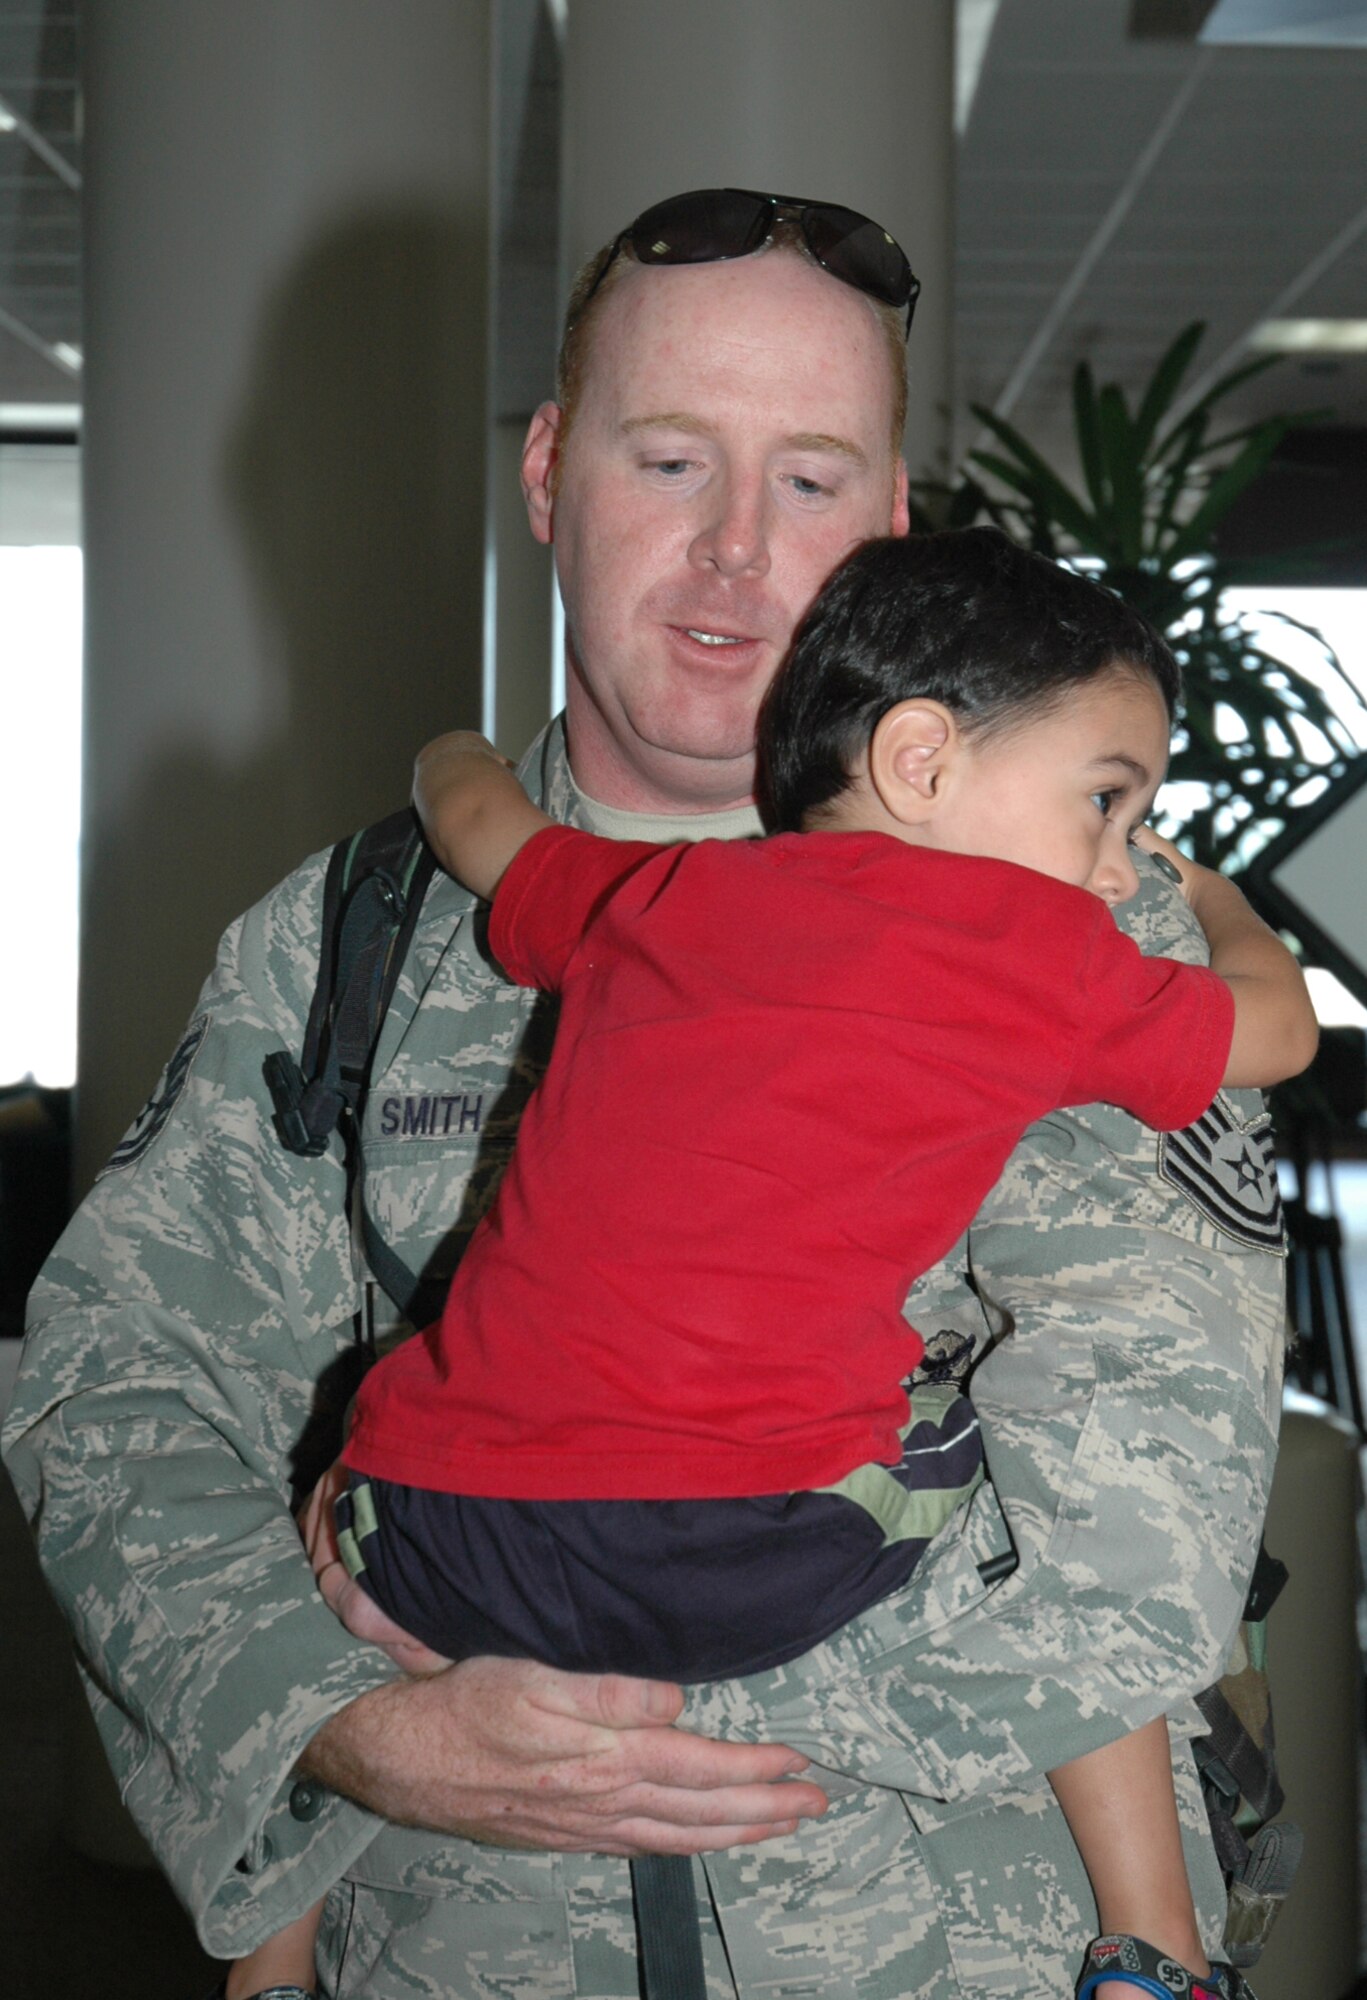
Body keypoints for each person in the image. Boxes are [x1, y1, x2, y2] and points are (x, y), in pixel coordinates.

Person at [2, 190, 1290, 2000]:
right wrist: (344, 1722)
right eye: (671, 461)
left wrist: (605, 1669)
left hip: (961, 1947)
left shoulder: (1087, 927)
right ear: (550, 473)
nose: (736, 549)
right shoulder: (353, 936)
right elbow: (119, 1381)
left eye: (810, 480)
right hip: (458, 1950)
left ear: (890, 525)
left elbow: (1147, 1462)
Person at [227, 527, 1310, 2000]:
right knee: (1037, 1507)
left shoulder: (656, 894)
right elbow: (1277, 1032)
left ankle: (273, 1963)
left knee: (339, 1470)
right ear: (921, 762)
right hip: (758, 1552)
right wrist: (1221, 905)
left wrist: (445, 746)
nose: (1118, 861)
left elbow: (478, 821)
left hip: (448, 1535)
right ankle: (1153, 1948)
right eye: (1109, 802)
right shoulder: (1037, 955)